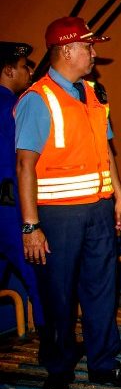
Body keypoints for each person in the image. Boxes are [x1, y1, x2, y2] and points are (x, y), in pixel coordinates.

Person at [15, 17, 121, 389]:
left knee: (102, 291)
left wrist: (118, 197)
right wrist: (30, 226)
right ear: (67, 50)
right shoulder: (38, 100)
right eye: (88, 46)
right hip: (58, 217)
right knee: (58, 296)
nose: (94, 52)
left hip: (99, 212)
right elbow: (25, 165)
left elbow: (107, 153)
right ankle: (59, 369)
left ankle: (104, 364)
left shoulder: (95, 95)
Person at [0, 42, 44, 326]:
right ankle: (53, 347)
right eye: (25, 65)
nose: (29, 71)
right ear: (8, 70)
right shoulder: (18, 108)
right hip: (12, 209)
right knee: (39, 278)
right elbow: (25, 163)